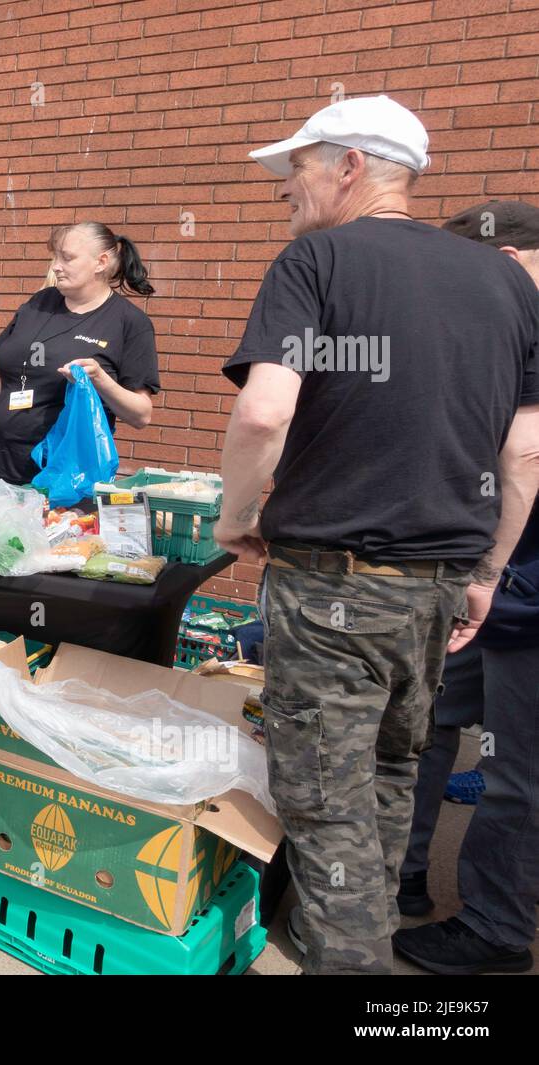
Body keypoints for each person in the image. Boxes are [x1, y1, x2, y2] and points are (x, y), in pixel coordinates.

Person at [213, 95, 539, 975]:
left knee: (325, 799)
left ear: (350, 165)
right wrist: (487, 572)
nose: (288, 189)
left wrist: (236, 516)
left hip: (335, 583)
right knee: (394, 769)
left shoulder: (317, 259)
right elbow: (525, 452)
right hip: (439, 582)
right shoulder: (504, 280)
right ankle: (363, 937)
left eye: (299, 168)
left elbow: (263, 414)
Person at [392, 200, 539, 975]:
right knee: (431, 724)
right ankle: (407, 875)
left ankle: (497, 928)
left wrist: (483, 571)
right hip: (493, 585)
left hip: (517, 589)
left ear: (507, 261)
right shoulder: (507, 329)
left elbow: (523, 457)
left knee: (517, 771)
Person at [0, 222, 160, 485]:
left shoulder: (129, 323)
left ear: (100, 262)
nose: (56, 266)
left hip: (63, 479)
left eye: (67, 258)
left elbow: (141, 415)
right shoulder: (39, 303)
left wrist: (100, 379)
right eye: (55, 257)